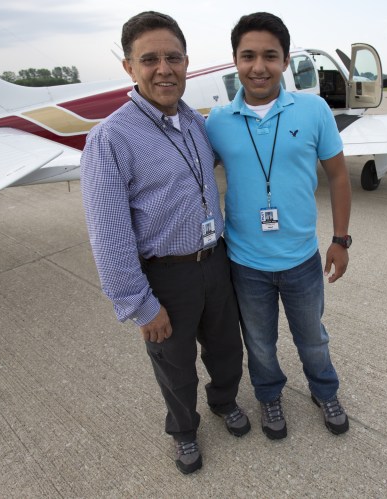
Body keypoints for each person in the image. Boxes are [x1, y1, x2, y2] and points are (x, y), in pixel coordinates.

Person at [80, 11, 249, 475]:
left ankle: (224, 401)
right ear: (129, 68)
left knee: (225, 348)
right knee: (174, 363)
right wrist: (138, 302)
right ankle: (184, 429)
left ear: (186, 62)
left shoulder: (194, 121)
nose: (163, 69)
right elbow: (109, 232)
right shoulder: (110, 138)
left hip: (215, 262)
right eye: (149, 59)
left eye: (172, 58)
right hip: (165, 275)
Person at [205, 12, 353, 440]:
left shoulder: (313, 110)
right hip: (246, 264)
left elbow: (339, 176)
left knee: (313, 339)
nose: (259, 66)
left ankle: (324, 390)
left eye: (270, 55)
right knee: (260, 345)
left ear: (285, 61)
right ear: (235, 60)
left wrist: (340, 240)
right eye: (248, 55)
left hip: (302, 259)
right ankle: (269, 395)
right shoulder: (217, 122)